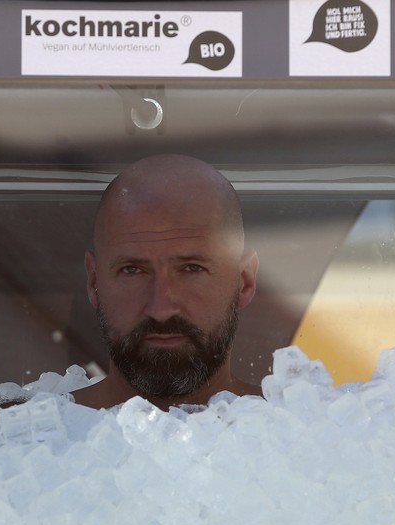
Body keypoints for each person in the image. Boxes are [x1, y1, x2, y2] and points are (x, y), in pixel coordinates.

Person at [73, 154, 261, 411]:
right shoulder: (11, 438)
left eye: (192, 269)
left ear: (244, 282)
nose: (161, 309)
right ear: (94, 281)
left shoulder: (315, 438)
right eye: (132, 270)